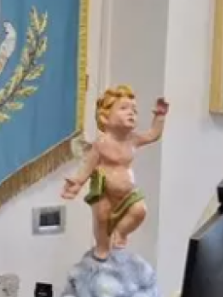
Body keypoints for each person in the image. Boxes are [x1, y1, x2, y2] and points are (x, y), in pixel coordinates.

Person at [61, 84, 168, 260]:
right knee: (102, 218)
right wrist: (77, 182)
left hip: (128, 193)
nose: (131, 113)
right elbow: (88, 166)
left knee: (139, 211)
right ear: (105, 117)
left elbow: (153, 135)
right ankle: (102, 247)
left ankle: (121, 232)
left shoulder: (133, 140)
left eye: (134, 110)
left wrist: (160, 116)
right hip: (104, 192)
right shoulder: (101, 144)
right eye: (124, 108)